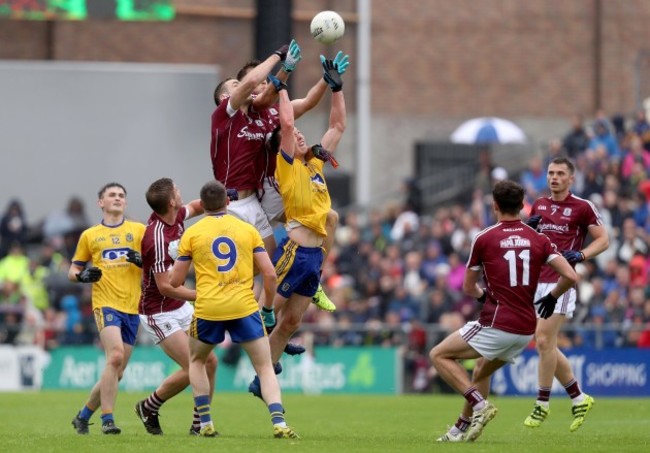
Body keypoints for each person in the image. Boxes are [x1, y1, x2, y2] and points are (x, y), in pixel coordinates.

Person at [431, 180, 578, 442]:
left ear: (494, 206)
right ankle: (459, 429)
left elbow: (468, 287)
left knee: (439, 355)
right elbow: (569, 275)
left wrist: (484, 297)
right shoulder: (539, 238)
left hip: (497, 323)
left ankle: (479, 405)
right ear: (522, 206)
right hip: (525, 331)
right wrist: (552, 297)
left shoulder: (485, 238)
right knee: (480, 370)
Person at [247, 53, 347, 398]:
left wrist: (337, 89)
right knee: (265, 316)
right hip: (295, 251)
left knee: (291, 323)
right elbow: (287, 126)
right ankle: (248, 357)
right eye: (294, 138)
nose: (300, 136)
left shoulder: (315, 164)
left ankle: (261, 384)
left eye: (303, 135)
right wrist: (283, 86)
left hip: (314, 258)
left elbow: (337, 127)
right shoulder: (287, 167)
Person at [169, 180, 297, 439]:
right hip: (244, 305)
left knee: (197, 361)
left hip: (209, 308)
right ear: (228, 202)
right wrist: (269, 309)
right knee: (264, 367)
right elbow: (270, 275)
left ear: (202, 205)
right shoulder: (246, 230)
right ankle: (279, 422)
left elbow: (175, 282)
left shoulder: (192, 234)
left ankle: (205, 421)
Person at [235, 50, 350, 313]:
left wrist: (331, 83)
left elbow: (312, 106)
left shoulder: (279, 118)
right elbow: (287, 125)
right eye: (260, 82)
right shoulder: (239, 114)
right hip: (258, 195)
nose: (265, 86)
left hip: (283, 190)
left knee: (329, 216)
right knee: (260, 279)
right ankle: (245, 318)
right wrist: (282, 79)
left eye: (268, 82)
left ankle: (314, 278)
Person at [523, 156, 609, 431]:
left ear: (571, 179)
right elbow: (530, 244)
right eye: (551, 173)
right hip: (537, 281)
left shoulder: (582, 207)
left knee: (544, 339)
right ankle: (578, 397)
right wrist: (530, 231)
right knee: (546, 343)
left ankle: (542, 403)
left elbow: (604, 239)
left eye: (560, 173)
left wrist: (582, 254)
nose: (554, 177)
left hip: (562, 281)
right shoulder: (539, 204)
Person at [133, 177, 218, 436]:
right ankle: (200, 424)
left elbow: (196, 206)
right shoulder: (155, 238)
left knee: (210, 362)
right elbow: (165, 287)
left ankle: (156, 409)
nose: (181, 193)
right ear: (171, 201)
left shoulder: (176, 216)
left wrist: (225, 198)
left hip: (179, 305)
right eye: (177, 191)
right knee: (196, 364)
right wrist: (201, 295)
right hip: (158, 311)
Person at [69, 182, 145, 435]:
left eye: (121, 195)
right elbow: (73, 270)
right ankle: (107, 419)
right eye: (111, 195)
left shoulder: (139, 231)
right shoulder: (90, 235)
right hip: (105, 303)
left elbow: (159, 263)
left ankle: (82, 416)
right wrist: (82, 276)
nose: (117, 198)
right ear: (101, 202)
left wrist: (144, 262)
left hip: (132, 307)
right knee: (114, 357)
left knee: (117, 371)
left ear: (125, 202)